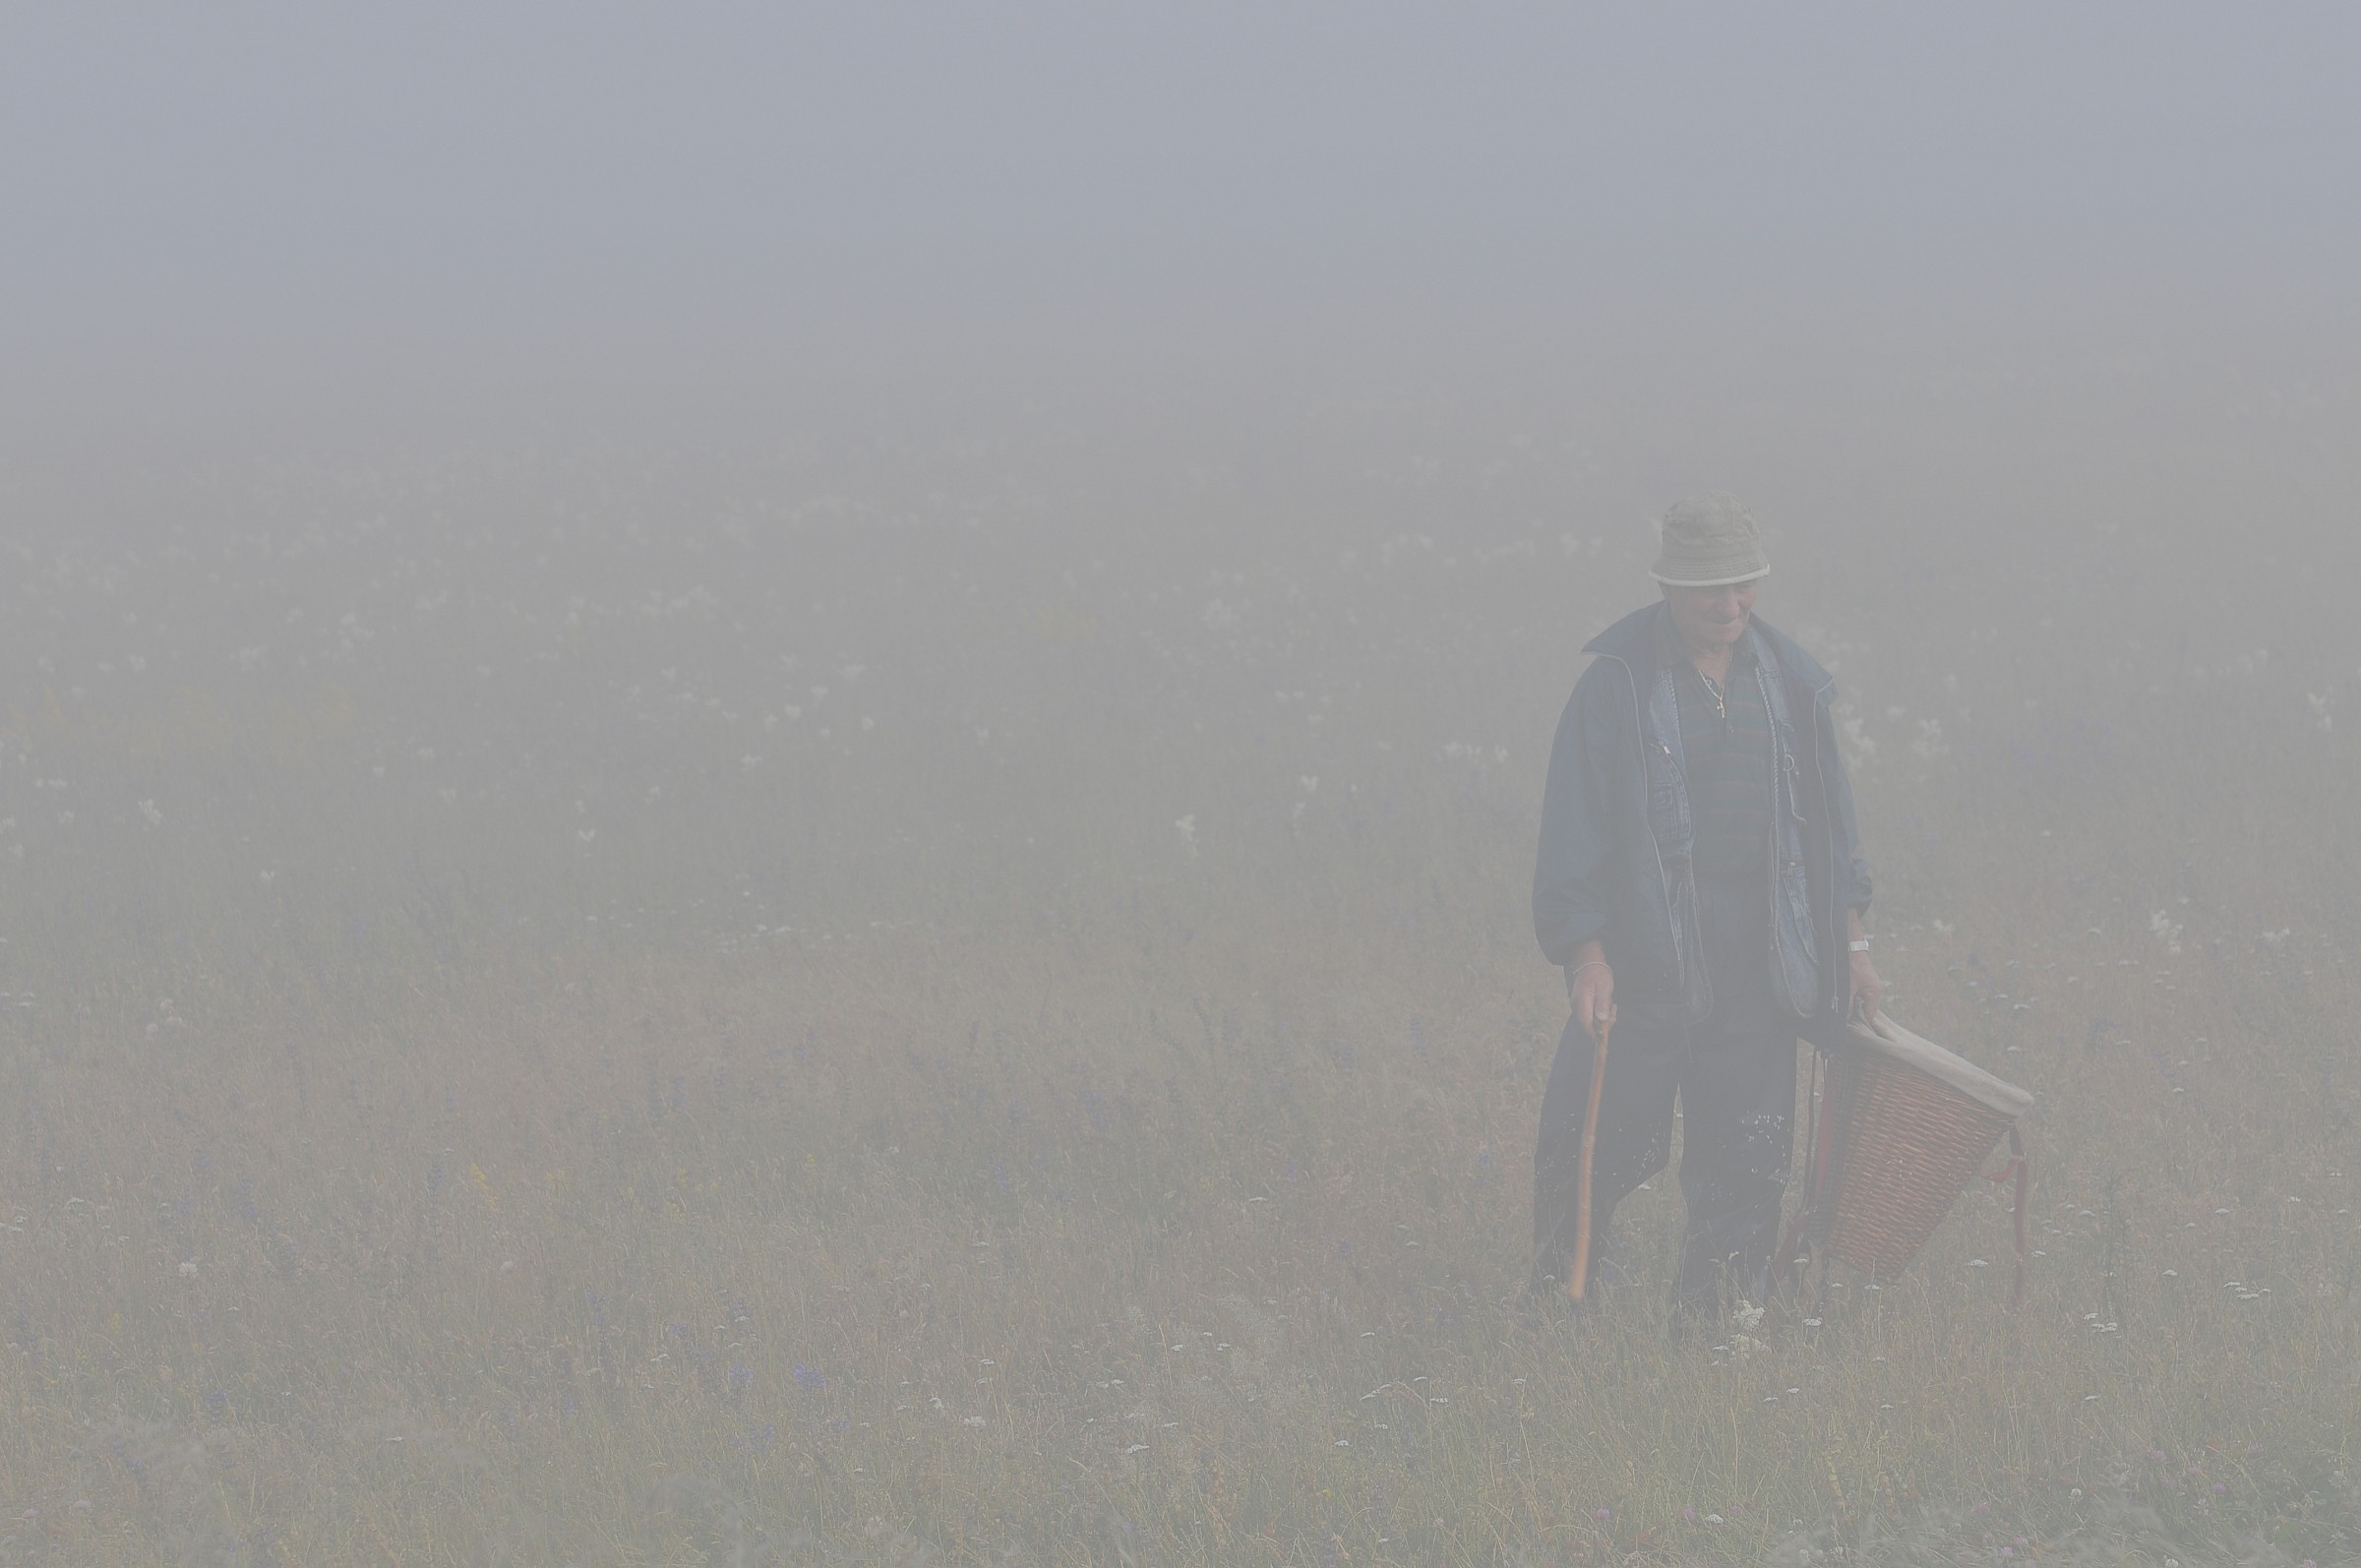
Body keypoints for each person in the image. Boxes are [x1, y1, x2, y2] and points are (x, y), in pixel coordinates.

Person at [1529, 495, 1878, 1327]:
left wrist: (1855, 945)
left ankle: (1716, 1324)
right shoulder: (1616, 686)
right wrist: (1586, 955)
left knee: (1748, 1152)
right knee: (1592, 1140)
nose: (1729, 605)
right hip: (1644, 956)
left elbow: (1830, 828)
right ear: (1667, 588)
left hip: (1763, 955)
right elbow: (1574, 824)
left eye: (1742, 586)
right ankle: (1560, 1308)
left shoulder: (1793, 683)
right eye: (1709, 590)